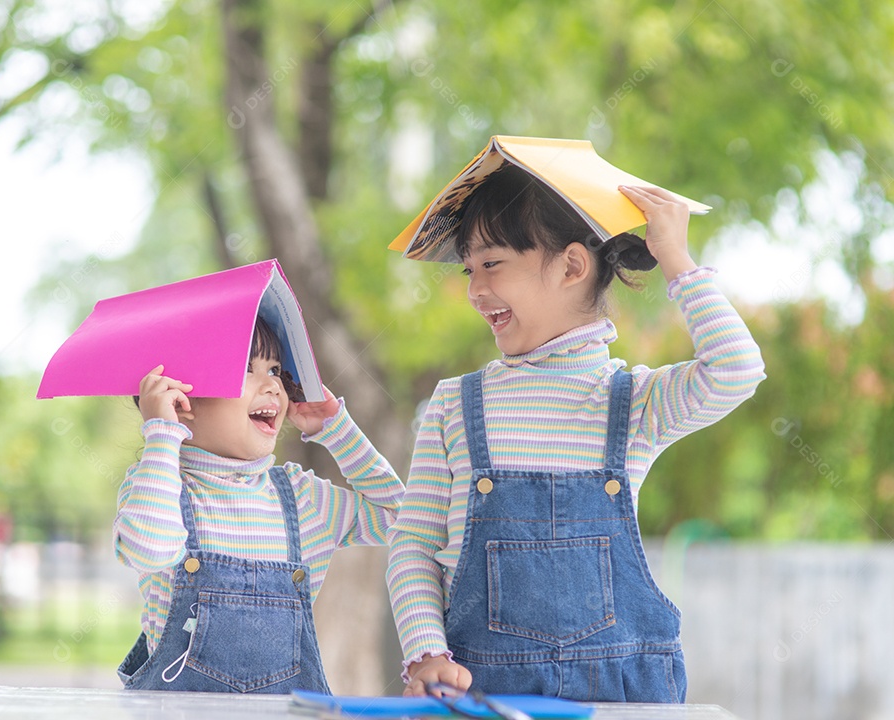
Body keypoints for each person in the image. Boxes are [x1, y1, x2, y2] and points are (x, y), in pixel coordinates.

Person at [386, 165, 766, 703]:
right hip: (484, 694)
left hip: (620, 697)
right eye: (468, 270)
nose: (475, 289)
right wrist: (427, 652)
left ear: (571, 265)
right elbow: (414, 546)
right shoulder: (453, 404)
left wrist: (676, 260)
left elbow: (736, 370)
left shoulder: (635, 402)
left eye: (491, 263)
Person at [115, 315, 404, 694]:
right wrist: (162, 434)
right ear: (183, 401)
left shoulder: (302, 498)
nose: (272, 385)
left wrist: (337, 431)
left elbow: (402, 518)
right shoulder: (159, 484)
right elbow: (148, 550)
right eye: (246, 370)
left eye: (276, 369)